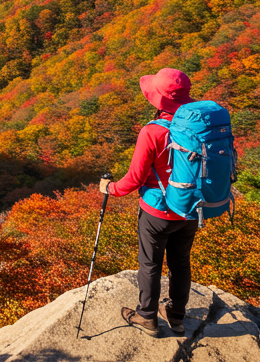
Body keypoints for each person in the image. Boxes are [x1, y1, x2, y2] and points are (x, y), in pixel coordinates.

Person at [98, 67, 197, 337]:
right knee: (181, 263)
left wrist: (110, 188)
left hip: (158, 211)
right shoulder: (199, 124)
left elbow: (134, 178)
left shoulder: (152, 132)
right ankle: (176, 315)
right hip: (190, 208)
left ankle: (147, 316)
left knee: (150, 264)